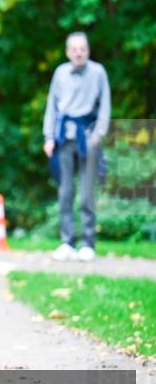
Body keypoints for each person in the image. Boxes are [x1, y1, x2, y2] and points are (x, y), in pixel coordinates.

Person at [43, 32, 111, 262]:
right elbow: (51, 106)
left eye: (83, 48)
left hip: (88, 136)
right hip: (64, 137)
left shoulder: (98, 72)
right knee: (65, 192)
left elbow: (105, 106)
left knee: (86, 192)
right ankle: (67, 242)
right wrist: (48, 136)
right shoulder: (60, 73)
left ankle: (88, 243)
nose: (79, 52)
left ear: (88, 50)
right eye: (74, 49)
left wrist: (99, 134)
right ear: (67, 51)